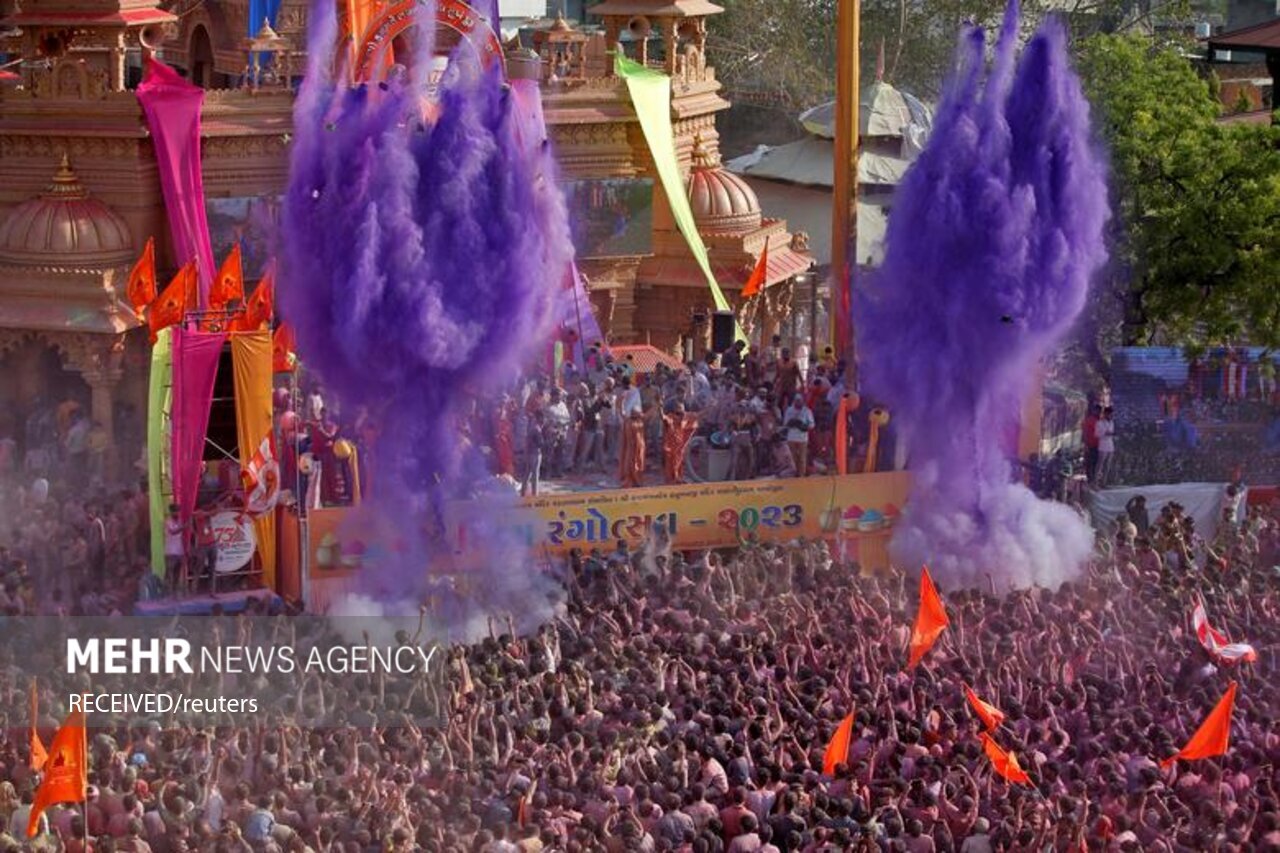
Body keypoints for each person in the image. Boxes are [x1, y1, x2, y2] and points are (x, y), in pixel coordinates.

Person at [661, 404, 699, 484]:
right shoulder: (671, 417)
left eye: (682, 412)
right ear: (674, 411)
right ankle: (670, 483)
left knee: (679, 466)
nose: (680, 415)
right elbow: (663, 417)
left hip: (680, 449)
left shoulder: (686, 417)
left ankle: (678, 480)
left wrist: (710, 407)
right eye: (677, 412)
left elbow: (698, 415)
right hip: (670, 450)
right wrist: (659, 406)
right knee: (670, 468)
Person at [781, 394, 813, 477]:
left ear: (802, 401)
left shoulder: (807, 411)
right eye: (796, 401)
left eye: (800, 401)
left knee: (802, 458)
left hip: (803, 438)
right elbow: (785, 424)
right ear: (794, 401)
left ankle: (801, 475)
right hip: (791, 437)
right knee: (793, 457)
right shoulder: (789, 410)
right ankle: (794, 474)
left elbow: (812, 424)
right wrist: (792, 423)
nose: (798, 403)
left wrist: (803, 426)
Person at [619, 411, 646, 488]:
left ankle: (637, 480)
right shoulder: (628, 421)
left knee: (639, 464)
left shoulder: (640, 421)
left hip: (639, 447)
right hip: (631, 447)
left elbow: (648, 415)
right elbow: (621, 411)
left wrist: (657, 405)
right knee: (630, 464)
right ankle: (629, 480)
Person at [163, 505, 185, 596]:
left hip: (179, 551)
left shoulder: (180, 521)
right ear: (171, 512)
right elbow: (173, 532)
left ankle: (174, 593)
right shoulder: (168, 522)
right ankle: (168, 594)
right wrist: (185, 526)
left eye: (178, 511)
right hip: (170, 552)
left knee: (177, 574)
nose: (177, 513)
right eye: (175, 511)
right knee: (170, 574)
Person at [1095, 406, 1115, 486]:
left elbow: (1112, 432)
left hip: (1110, 446)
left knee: (1107, 465)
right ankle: (1095, 481)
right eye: (1110, 414)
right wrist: (1104, 433)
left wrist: (1110, 433)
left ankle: (1104, 482)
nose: (1111, 416)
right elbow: (1096, 434)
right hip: (1103, 445)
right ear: (1106, 414)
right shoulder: (1099, 423)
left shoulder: (1112, 423)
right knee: (1100, 465)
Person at [1082, 403, 1100, 484]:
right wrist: (1085, 445)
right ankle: (1090, 478)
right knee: (1090, 462)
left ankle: (1094, 477)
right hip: (1090, 444)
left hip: (1098, 445)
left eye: (1099, 411)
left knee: (1095, 462)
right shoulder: (1089, 420)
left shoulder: (1099, 420)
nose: (1098, 412)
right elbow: (1085, 433)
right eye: (1096, 411)